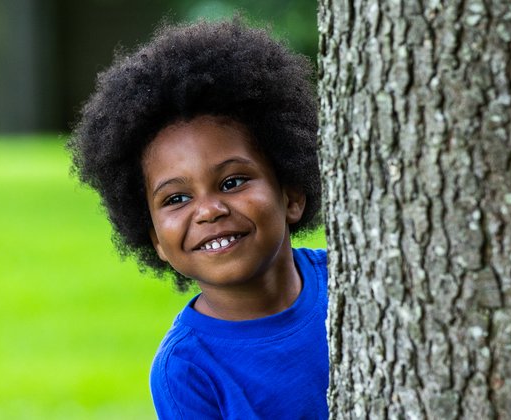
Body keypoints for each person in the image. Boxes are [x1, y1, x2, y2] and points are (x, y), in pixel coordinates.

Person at [68, 18, 328, 419]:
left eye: (233, 181)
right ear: (154, 239)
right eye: (177, 198)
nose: (208, 210)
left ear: (291, 194)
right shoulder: (186, 371)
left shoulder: (347, 280)